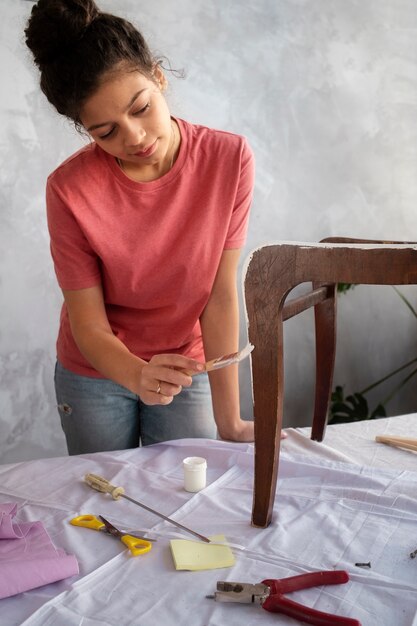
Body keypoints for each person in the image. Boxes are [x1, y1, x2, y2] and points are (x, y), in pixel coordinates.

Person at [24, 0, 255, 454]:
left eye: (141, 108)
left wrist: (230, 420)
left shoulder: (229, 160)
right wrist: (135, 374)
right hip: (94, 373)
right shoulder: (69, 190)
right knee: (106, 499)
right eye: (106, 132)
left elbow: (220, 294)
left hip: (183, 364)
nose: (134, 137)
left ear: (159, 76)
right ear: (84, 129)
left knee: (186, 494)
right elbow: (88, 325)